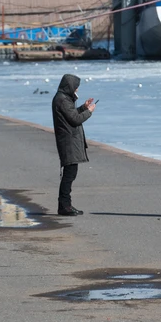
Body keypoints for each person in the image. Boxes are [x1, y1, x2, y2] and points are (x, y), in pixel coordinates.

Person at [51, 74, 96, 216]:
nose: (76, 90)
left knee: (70, 173)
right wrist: (89, 112)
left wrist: (83, 107)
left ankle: (65, 205)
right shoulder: (63, 100)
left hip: (68, 140)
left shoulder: (63, 98)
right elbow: (75, 120)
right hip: (68, 141)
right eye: (76, 87)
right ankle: (64, 206)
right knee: (69, 174)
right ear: (69, 86)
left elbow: (71, 114)